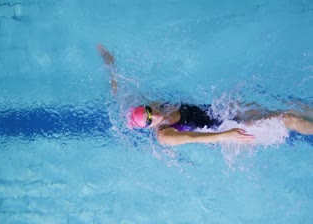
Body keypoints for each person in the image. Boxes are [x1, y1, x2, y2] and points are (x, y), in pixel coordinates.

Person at [98, 45, 313, 146]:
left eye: (148, 111)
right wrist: (227, 135)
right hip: (229, 128)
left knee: (292, 108)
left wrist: (111, 64)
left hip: (224, 113)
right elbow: (193, 137)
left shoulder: (157, 106)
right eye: (148, 121)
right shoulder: (165, 136)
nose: (152, 115)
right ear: (147, 127)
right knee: (288, 119)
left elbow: (120, 94)